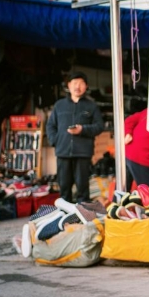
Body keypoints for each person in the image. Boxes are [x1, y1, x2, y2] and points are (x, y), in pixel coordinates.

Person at [46, 71, 104, 203]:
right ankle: (64, 217)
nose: (78, 86)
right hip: (63, 151)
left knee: (83, 188)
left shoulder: (91, 106)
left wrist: (83, 129)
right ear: (69, 85)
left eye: (81, 83)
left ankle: (83, 217)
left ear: (86, 86)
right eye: (75, 83)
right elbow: (50, 126)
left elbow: (99, 126)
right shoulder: (59, 105)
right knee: (64, 187)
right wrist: (55, 141)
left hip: (83, 152)